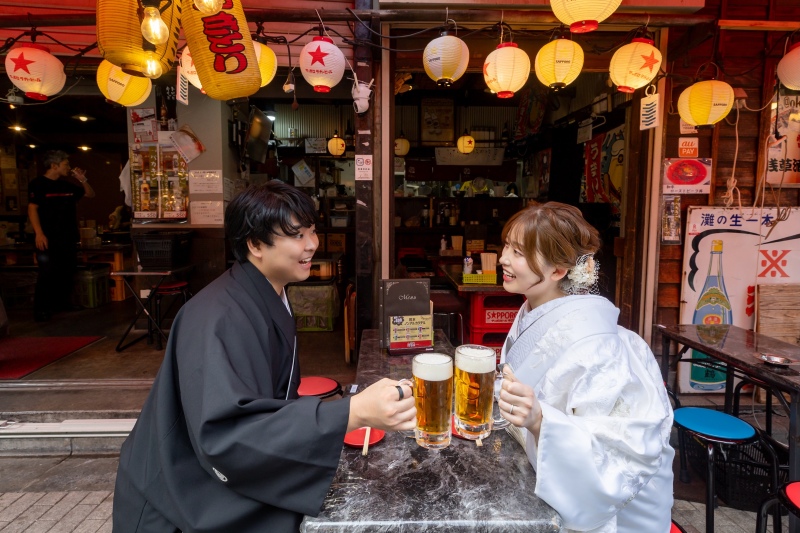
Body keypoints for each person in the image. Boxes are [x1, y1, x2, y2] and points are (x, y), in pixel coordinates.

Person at [113, 181, 416, 533]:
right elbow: (226, 434)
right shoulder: (217, 318)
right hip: (176, 500)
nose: (313, 244)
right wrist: (351, 412)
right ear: (255, 244)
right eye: (296, 235)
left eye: (312, 230)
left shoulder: (265, 293)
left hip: (211, 478)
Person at [495, 202, 674, 533]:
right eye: (507, 245)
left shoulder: (596, 346)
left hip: (603, 514)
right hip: (544, 478)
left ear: (558, 272)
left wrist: (540, 421)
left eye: (518, 252)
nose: (504, 258)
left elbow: (614, 452)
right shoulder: (536, 312)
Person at [28, 150, 95, 321]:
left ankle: (62, 303)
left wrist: (82, 179)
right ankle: (42, 309)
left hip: (68, 235)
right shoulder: (38, 184)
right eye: (66, 164)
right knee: (47, 272)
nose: (69, 167)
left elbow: (90, 194)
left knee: (67, 271)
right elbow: (32, 208)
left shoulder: (66, 185)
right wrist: (39, 233)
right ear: (54, 165)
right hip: (47, 237)